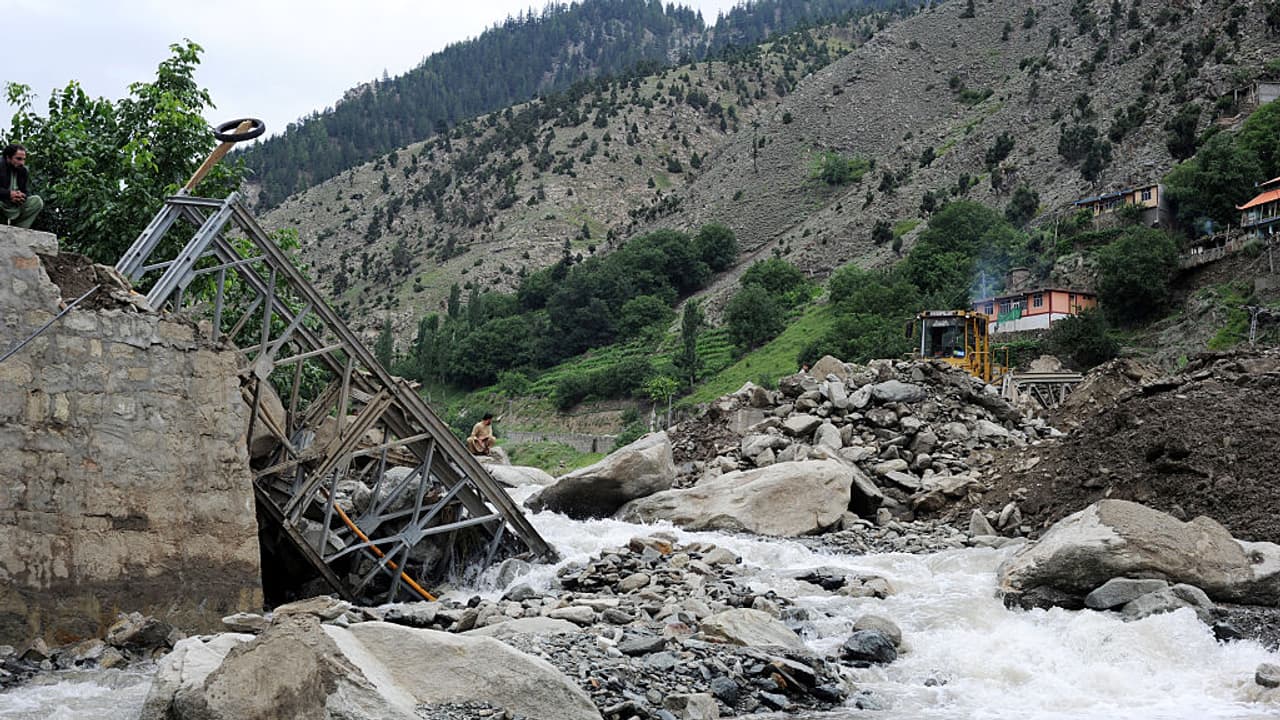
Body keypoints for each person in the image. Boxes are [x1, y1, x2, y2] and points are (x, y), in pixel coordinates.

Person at [0, 144, 43, 230]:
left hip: (13, 205)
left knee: (37, 202)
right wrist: (9, 194)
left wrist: (20, 196)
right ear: (8, 158)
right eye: (18, 159)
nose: (22, 163)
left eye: (23, 159)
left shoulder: (23, 171)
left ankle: (18, 230)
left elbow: (25, 191)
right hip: (1, 202)